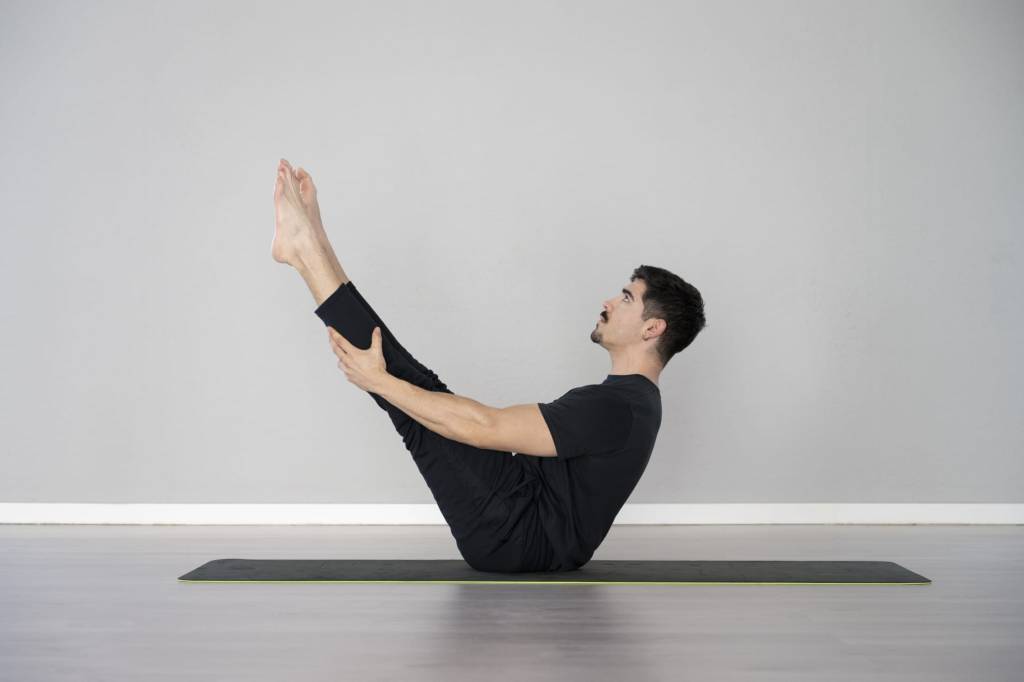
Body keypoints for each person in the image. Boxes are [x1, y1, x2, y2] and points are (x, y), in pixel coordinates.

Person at [271, 158, 707, 572]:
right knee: (415, 387)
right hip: (522, 513)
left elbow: (485, 426)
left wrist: (377, 382)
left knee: (405, 387)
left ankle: (305, 251)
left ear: (652, 329)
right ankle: (310, 244)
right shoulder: (632, 402)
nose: (609, 302)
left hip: (516, 535)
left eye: (626, 298)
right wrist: (385, 382)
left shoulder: (618, 407)